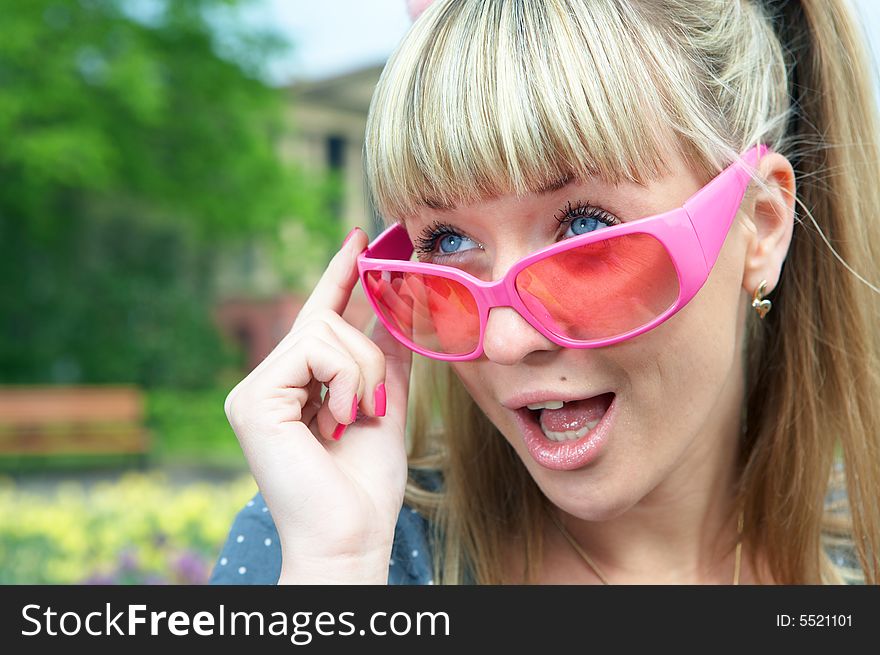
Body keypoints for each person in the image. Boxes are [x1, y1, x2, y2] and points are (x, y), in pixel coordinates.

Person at [210, 0, 880, 585]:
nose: (506, 340)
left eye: (585, 226)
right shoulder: (320, 543)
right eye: (444, 240)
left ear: (759, 226)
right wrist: (337, 570)